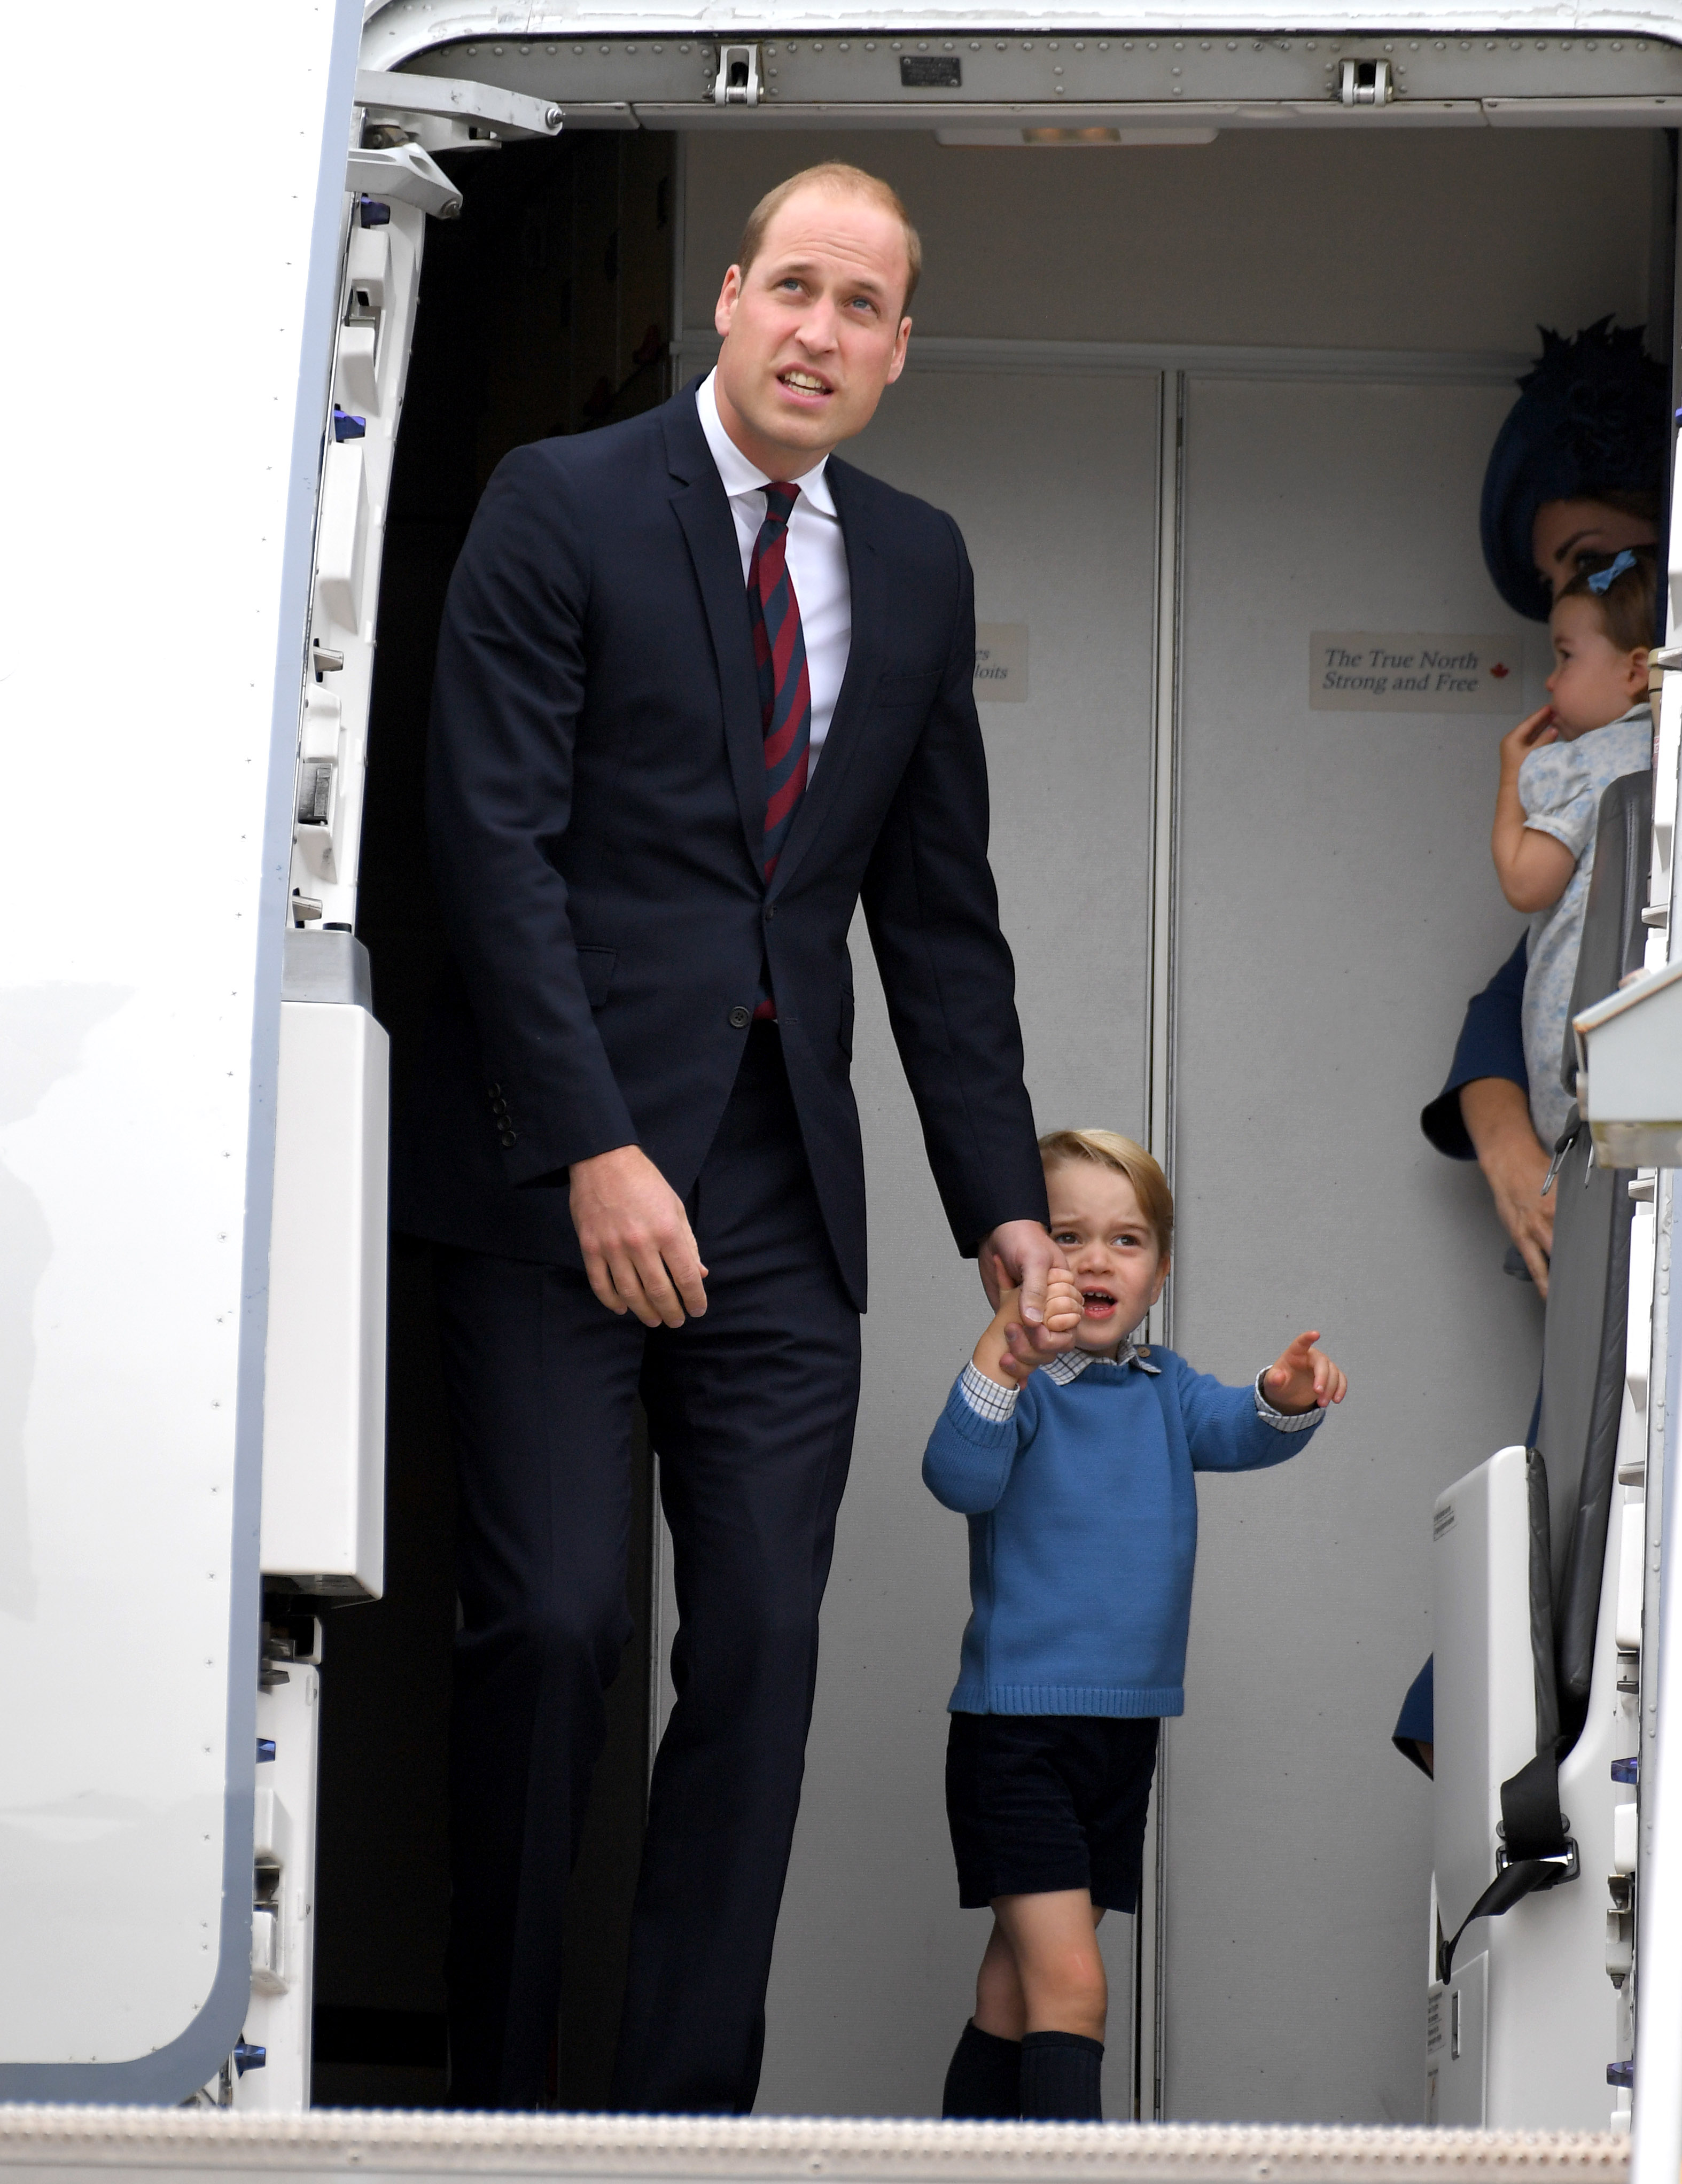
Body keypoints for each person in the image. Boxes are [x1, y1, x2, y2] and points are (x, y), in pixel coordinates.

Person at [399, 161, 1072, 2113]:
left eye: (865, 308)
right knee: (556, 1619)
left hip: (783, 1176)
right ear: (728, 297)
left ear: (899, 348)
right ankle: (499, 2103)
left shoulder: (922, 563)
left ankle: (686, 2112)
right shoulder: (563, 500)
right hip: (554, 1169)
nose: (821, 334)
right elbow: (493, 850)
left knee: (764, 1643)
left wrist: (1001, 1204)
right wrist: (596, 1146)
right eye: (797, 288)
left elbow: (937, 916)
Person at [922, 1130, 1346, 2122]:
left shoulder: (1165, 1391)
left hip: (1120, 1734)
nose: (1094, 1258)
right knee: (1074, 1991)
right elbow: (957, 1475)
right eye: (1064, 1235)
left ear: (1157, 1271)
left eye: (1124, 1239)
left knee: (1014, 1991)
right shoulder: (1022, 1388)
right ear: (1014, 1261)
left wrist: (1283, 1397)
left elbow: (1242, 1427)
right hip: (1016, 1737)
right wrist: (1003, 1346)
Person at [1422, 318, 1665, 1297]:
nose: (1576, 599)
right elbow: (1525, 981)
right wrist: (1510, 1146)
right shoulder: (1607, 772)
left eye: (1594, 559)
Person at [1491, 549, 1655, 1150]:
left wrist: (1513, 775)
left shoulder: (1583, 766)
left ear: (1635, 671)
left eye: (1565, 656)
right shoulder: (1667, 759)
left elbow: (1525, 881)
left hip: (1579, 1044)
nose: (1551, 679)